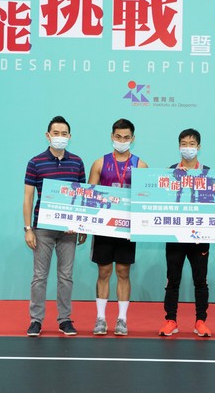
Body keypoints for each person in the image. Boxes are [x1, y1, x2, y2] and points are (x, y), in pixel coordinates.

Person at [22, 116, 87, 337]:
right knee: (39, 276)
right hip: (43, 229)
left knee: (66, 276)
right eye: (56, 133)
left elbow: (82, 196)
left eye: (64, 134)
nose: (60, 137)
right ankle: (36, 320)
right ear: (48, 135)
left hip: (69, 230)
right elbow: (28, 198)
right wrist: (28, 229)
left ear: (70, 136)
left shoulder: (77, 162)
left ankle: (65, 319)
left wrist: (80, 225)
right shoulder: (35, 162)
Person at [88, 118, 148, 336]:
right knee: (103, 271)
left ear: (133, 139)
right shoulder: (99, 163)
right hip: (104, 228)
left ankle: (122, 319)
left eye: (126, 137)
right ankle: (101, 318)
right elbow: (89, 197)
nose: (122, 141)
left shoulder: (141, 166)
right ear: (112, 137)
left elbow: (146, 199)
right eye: (118, 137)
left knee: (123, 271)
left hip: (127, 229)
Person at [159, 128, 212, 337]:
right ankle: (171, 320)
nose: (187, 148)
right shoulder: (170, 172)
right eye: (184, 144)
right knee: (172, 279)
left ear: (199, 147)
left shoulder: (208, 173)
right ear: (179, 146)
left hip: (200, 237)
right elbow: (162, 201)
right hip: (175, 236)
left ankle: (200, 321)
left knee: (201, 280)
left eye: (191, 144)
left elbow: (213, 205)